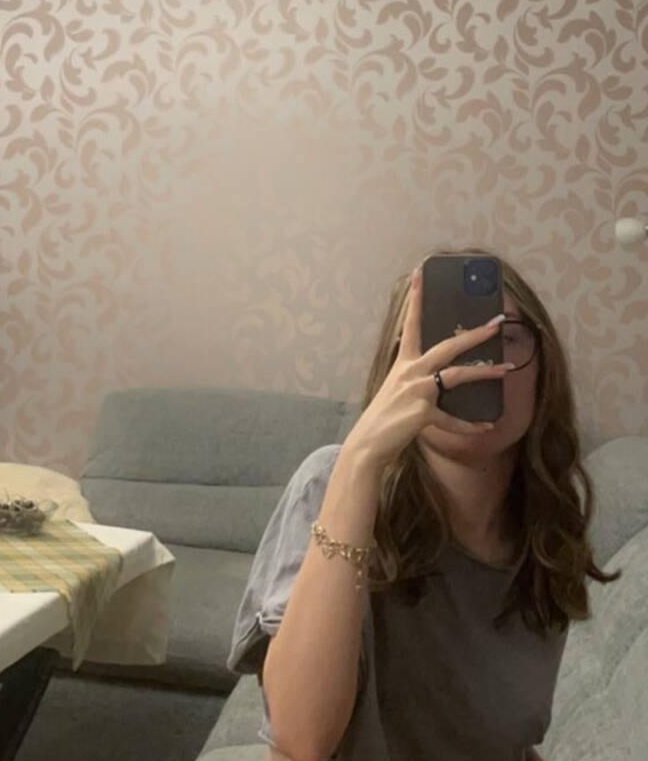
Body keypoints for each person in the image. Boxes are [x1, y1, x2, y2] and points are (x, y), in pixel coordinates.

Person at [228, 253, 619, 760]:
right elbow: (301, 739)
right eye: (442, 341)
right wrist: (360, 461)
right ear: (397, 374)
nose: (476, 366)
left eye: (505, 338)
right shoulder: (334, 482)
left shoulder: (547, 530)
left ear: (545, 370)